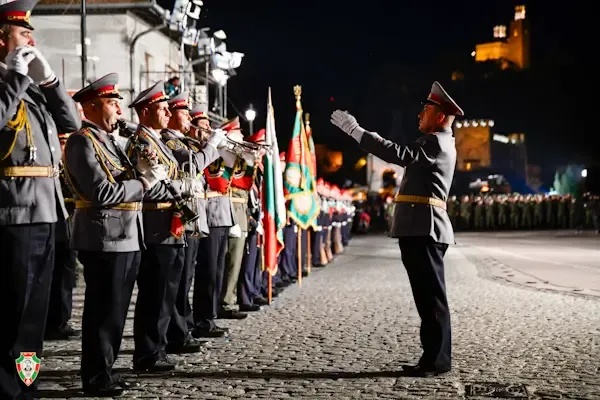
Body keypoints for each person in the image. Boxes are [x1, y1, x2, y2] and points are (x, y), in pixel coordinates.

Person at [331, 81, 461, 377]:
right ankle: (432, 357)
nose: (420, 115)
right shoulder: (435, 142)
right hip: (418, 227)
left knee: (431, 298)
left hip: (424, 229)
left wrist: (359, 133)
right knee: (426, 298)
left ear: (440, 116)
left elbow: (399, 153)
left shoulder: (436, 142)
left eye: (426, 109)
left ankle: (438, 359)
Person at [65, 73, 173, 395]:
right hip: (103, 237)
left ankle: (106, 370)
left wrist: (145, 172)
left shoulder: (110, 141)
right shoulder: (82, 141)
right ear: (93, 107)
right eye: (113, 104)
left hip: (126, 236)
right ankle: (96, 376)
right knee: (102, 313)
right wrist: (143, 183)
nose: (119, 112)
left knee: (115, 314)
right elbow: (101, 191)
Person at [0, 0, 81, 397]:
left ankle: (25, 385)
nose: (30, 38)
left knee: (35, 314)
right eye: (21, 32)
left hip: (48, 210)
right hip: (14, 211)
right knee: (12, 310)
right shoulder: (9, 85)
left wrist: (49, 83)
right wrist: (14, 78)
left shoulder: (29, 87)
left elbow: (73, 125)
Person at [127, 81, 202, 372]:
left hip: (171, 224)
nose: (167, 113)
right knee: (154, 292)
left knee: (168, 290)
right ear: (145, 111)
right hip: (155, 224)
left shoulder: (156, 141)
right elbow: (150, 187)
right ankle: (147, 352)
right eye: (161, 109)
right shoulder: (142, 143)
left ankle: (157, 347)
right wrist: (184, 187)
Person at [160, 93, 223, 353]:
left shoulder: (185, 142)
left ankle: (183, 327)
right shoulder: (171, 142)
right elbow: (190, 166)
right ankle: (177, 332)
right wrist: (211, 146)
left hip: (191, 215)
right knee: (179, 281)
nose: (189, 118)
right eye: (184, 113)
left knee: (185, 278)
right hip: (178, 218)